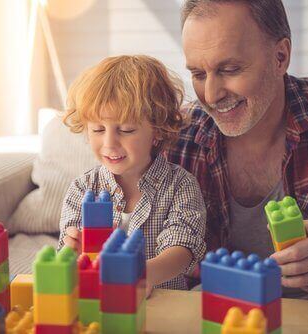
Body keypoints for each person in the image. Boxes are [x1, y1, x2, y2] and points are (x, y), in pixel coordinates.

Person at [168, 0, 308, 332]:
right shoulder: (180, 136)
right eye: (198, 73)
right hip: (221, 307)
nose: (210, 94)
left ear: (280, 57)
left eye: (230, 69)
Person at [58, 55, 206, 293]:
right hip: (99, 304)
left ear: (157, 130)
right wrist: (72, 253)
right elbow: (66, 253)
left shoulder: (181, 185)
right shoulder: (82, 189)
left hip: (162, 302)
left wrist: (142, 275)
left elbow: (182, 248)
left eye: (126, 129)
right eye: (97, 129)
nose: (109, 143)